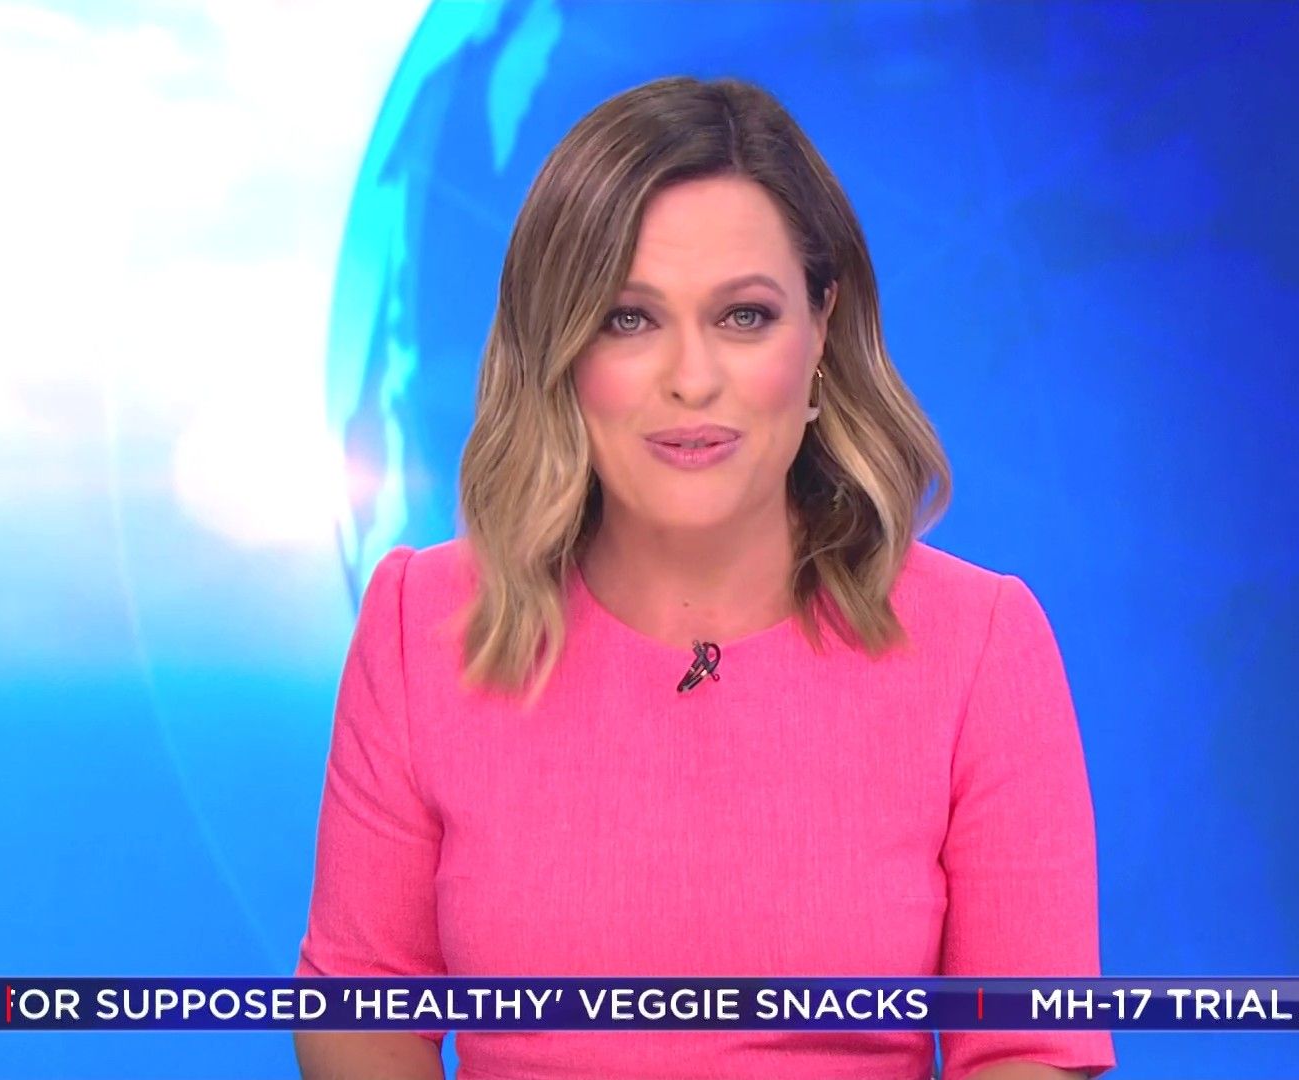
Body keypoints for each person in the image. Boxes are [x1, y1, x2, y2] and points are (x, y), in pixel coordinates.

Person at [294, 74, 1113, 1080]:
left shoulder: (980, 644)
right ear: (561, 349)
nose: (692, 378)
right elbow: (361, 1011)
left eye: (744, 316)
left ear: (821, 331)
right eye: (629, 320)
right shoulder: (418, 623)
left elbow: (1028, 1047)